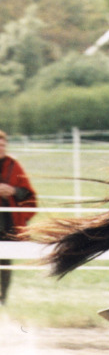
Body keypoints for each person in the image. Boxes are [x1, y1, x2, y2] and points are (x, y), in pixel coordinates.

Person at [0, 130, 37, 306]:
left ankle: (3, 299)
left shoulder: (14, 166)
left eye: (3, 145)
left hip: (7, 223)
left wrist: (13, 191)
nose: (1, 148)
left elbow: (28, 193)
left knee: (5, 262)